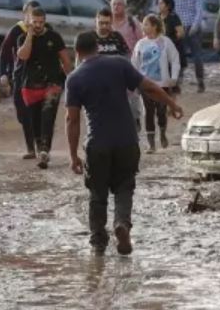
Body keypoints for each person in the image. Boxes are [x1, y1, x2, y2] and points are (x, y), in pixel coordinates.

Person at [66, 32, 184, 255]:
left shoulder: (75, 78)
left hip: (97, 144)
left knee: (97, 194)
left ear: (78, 52)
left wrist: (73, 155)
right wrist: (171, 104)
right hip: (127, 141)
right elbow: (148, 87)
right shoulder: (119, 64)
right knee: (124, 187)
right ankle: (121, 223)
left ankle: (98, 243)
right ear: (98, 47)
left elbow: (71, 120)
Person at [16, 7, 73, 169]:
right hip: (30, 85)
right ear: (29, 21)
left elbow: (66, 61)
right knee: (35, 120)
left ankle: (44, 152)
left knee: (48, 116)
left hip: (53, 84)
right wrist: (30, 36)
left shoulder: (54, 37)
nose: (38, 25)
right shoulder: (22, 38)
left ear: (45, 21)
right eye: (35, 22)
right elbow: (23, 56)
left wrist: (73, 79)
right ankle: (39, 147)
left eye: (41, 22)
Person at [131, 16, 181, 153]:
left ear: (154, 26)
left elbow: (175, 59)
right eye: (143, 24)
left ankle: (163, 133)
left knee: (161, 111)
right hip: (145, 84)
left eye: (146, 24)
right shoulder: (140, 44)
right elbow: (134, 64)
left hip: (162, 84)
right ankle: (151, 143)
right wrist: (133, 82)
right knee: (148, 112)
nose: (143, 27)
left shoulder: (166, 42)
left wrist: (174, 77)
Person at [0, 0, 41, 160]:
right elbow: (4, 53)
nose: (33, 19)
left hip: (38, 78)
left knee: (36, 113)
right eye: (30, 14)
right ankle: (33, 144)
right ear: (25, 15)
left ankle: (35, 147)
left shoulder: (45, 30)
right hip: (20, 76)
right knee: (22, 115)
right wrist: (3, 73)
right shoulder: (16, 31)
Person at [94, 8, 142, 130]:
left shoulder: (117, 37)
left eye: (107, 23)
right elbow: (81, 62)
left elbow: (127, 57)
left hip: (116, 84)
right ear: (96, 21)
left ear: (111, 23)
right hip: (96, 84)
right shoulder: (90, 38)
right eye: (101, 23)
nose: (104, 26)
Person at [170, 0, 206, 93]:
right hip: (179, 28)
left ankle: (200, 81)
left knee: (197, 56)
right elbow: (171, 15)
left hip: (193, 28)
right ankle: (177, 83)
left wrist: (194, 27)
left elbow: (199, 11)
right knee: (179, 56)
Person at [158, 0, 186, 91]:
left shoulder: (173, 17)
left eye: (161, 3)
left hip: (174, 54)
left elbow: (181, 33)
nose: (159, 5)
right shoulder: (157, 18)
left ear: (168, 6)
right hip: (160, 55)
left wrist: (169, 41)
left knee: (173, 85)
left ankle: (172, 104)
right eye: (159, 3)